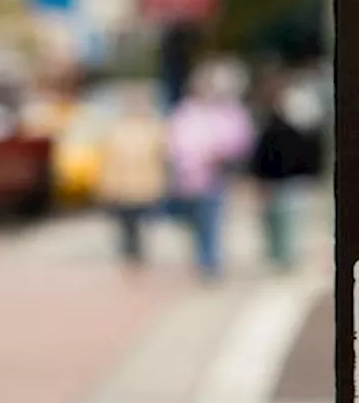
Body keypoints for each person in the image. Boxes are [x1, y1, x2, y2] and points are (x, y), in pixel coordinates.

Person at [167, 63, 254, 282]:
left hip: (215, 176)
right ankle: (204, 259)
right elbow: (175, 145)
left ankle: (209, 262)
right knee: (196, 222)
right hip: (189, 178)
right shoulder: (184, 113)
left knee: (211, 220)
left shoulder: (225, 112)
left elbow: (240, 140)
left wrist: (222, 153)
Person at [249, 71, 321, 271]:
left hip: (292, 181)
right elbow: (261, 154)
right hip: (274, 182)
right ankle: (279, 258)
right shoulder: (268, 124)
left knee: (289, 223)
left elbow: (308, 152)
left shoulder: (299, 123)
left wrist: (310, 175)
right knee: (274, 223)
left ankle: (287, 260)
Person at [97, 83, 168, 267]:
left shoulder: (153, 127)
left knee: (143, 225)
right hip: (123, 187)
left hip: (145, 185)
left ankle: (137, 256)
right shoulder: (117, 128)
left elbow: (162, 156)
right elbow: (109, 160)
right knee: (126, 226)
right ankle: (130, 256)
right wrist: (108, 186)